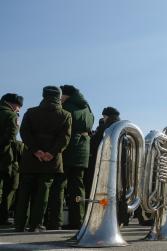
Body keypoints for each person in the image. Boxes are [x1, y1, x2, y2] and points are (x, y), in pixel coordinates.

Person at [15, 86, 72, 232]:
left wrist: (36, 150)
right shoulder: (65, 115)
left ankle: (19, 223)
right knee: (43, 192)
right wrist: (51, 153)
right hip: (51, 161)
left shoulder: (31, 112)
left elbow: (24, 132)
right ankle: (36, 224)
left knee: (25, 190)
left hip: (31, 158)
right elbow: (64, 138)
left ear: (43, 95)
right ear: (58, 97)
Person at [46, 85, 94, 230]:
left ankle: (55, 221)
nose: (59, 98)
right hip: (83, 152)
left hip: (68, 149)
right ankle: (77, 220)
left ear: (66, 95)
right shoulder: (87, 109)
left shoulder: (67, 107)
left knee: (59, 185)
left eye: (61, 95)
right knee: (78, 187)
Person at [84, 107, 120, 198]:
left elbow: (94, 144)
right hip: (117, 165)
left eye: (104, 116)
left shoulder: (104, 128)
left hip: (100, 163)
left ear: (107, 116)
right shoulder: (120, 127)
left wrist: (89, 137)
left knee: (95, 187)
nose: (103, 118)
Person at [0, 93, 23, 225]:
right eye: (18, 106)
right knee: (9, 187)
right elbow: (10, 137)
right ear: (12, 104)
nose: (18, 109)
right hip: (5, 157)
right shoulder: (11, 116)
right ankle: (2, 217)